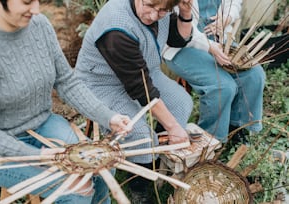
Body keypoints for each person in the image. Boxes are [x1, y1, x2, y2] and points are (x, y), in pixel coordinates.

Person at [0, 0, 133, 203]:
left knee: (101, 167)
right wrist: (38, 156)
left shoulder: (40, 25)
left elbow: (66, 81)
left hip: (43, 124)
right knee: (76, 191)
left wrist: (108, 117)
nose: (36, 9)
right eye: (27, 2)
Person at [75, 0, 194, 202]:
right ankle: (140, 188)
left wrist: (185, 12)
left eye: (163, 10)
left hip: (143, 72)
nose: (154, 16)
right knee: (140, 134)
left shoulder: (161, 7)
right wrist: (173, 127)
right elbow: (142, 89)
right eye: (149, 6)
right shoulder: (116, 26)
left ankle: (156, 157)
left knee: (181, 103)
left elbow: (178, 39)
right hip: (101, 83)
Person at [163, 0, 266, 143]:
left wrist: (227, 17)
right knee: (222, 85)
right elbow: (180, 29)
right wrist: (209, 46)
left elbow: (234, 2)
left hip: (219, 40)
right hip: (183, 45)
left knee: (255, 74)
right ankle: (210, 139)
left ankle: (236, 128)